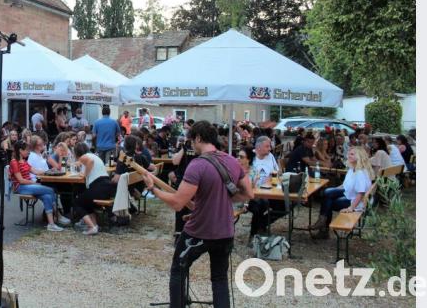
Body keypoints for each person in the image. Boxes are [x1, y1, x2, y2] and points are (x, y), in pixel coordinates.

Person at [142, 121, 253, 308]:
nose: (191, 145)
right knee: (219, 279)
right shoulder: (232, 161)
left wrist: (154, 189)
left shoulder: (197, 165)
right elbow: (248, 194)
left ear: (199, 138)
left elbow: (178, 203)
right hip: (225, 231)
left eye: (192, 140)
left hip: (199, 232)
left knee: (178, 271)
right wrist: (220, 202)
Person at [311, 145, 374, 239]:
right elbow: (344, 186)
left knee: (328, 202)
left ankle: (323, 228)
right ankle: (322, 224)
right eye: (349, 153)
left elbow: (361, 194)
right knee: (327, 193)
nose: (349, 155)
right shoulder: (352, 169)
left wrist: (351, 208)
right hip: (350, 195)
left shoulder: (360, 172)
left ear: (359, 157)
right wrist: (333, 192)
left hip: (357, 202)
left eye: (352, 154)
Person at [8, 140, 69, 231]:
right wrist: (35, 183)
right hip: (20, 187)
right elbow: (20, 180)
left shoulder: (24, 161)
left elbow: (35, 171)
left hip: (27, 186)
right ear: (20, 150)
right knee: (51, 190)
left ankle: (51, 224)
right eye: (27, 150)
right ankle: (58, 215)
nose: (28, 152)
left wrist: (48, 171)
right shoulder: (14, 162)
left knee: (47, 196)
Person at [70, 142, 116, 235]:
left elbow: (90, 162)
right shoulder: (94, 155)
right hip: (107, 187)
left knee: (77, 202)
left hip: (98, 186)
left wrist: (85, 175)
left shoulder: (84, 156)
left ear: (77, 152)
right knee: (86, 202)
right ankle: (94, 226)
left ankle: (91, 226)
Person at [246, 137, 284, 243]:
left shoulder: (270, 156)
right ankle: (253, 235)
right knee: (260, 203)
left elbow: (278, 172)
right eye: (267, 146)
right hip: (252, 194)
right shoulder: (250, 157)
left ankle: (262, 224)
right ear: (258, 147)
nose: (270, 149)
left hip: (269, 192)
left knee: (287, 204)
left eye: (270, 146)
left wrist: (273, 177)